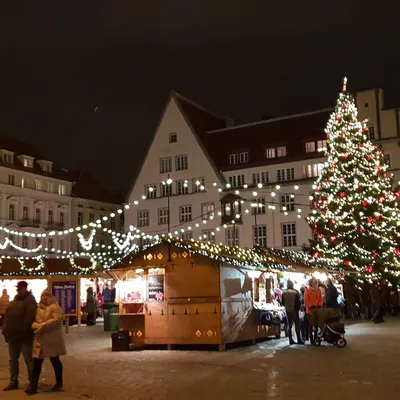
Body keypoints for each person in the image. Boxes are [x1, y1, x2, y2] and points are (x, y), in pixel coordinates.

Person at [26, 289, 66, 395]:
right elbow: (34, 320)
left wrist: (41, 326)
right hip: (40, 339)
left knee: (55, 360)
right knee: (37, 362)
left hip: (52, 339)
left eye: (47, 295)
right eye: (43, 295)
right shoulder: (38, 308)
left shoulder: (55, 307)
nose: (44, 297)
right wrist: (34, 325)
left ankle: (59, 382)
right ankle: (33, 386)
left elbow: (56, 321)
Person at [2, 281, 37, 391]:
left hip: (24, 336)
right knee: (12, 359)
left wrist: (23, 329)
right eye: (17, 288)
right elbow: (7, 316)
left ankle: (32, 382)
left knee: (28, 360)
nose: (18, 289)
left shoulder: (30, 300)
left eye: (19, 287)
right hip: (12, 336)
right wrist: (5, 329)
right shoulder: (14, 301)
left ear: (24, 288)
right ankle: (13, 381)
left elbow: (30, 317)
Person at [282, 280, 304, 345]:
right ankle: (299, 339)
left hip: (287, 310)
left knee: (290, 325)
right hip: (295, 310)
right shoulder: (296, 292)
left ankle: (290, 340)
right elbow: (298, 302)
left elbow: (282, 302)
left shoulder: (284, 292)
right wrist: (298, 309)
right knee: (297, 325)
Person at [304, 278, 323, 344]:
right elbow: (306, 300)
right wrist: (310, 306)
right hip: (310, 310)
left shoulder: (318, 290)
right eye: (313, 282)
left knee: (316, 324)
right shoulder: (308, 290)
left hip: (317, 310)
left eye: (315, 282)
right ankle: (311, 337)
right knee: (311, 324)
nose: (314, 283)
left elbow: (321, 299)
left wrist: (320, 305)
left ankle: (315, 336)